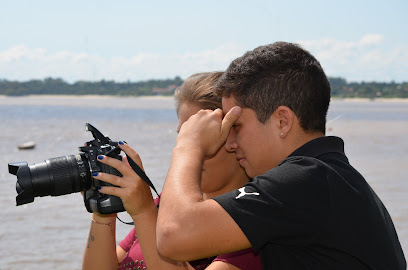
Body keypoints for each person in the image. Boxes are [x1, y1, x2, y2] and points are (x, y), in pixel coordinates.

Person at [155, 42, 407, 269]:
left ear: (282, 121)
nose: (230, 144)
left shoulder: (305, 180)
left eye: (237, 126)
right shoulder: (330, 177)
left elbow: (173, 236)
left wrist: (189, 146)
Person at [82, 72, 262, 270]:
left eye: (199, 138)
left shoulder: (253, 218)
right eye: (183, 137)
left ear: (236, 139)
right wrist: (103, 210)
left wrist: (143, 212)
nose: (188, 149)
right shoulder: (166, 207)